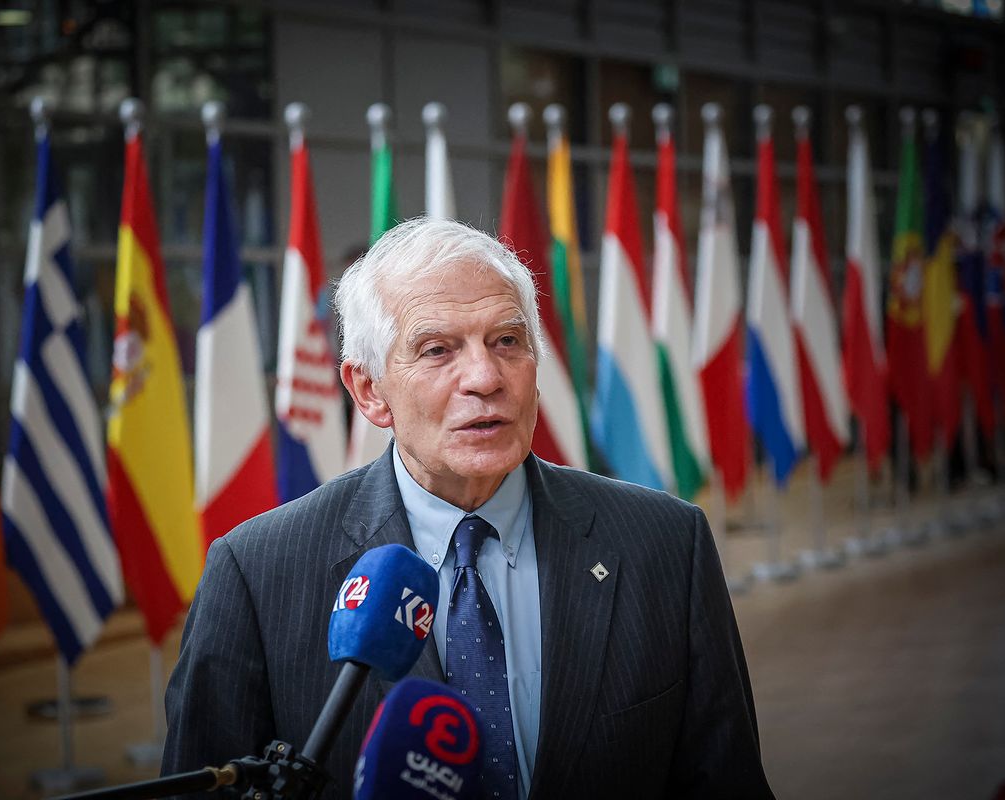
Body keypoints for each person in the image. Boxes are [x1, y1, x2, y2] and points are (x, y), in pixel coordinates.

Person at [162, 217, 773, 798]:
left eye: (507, 340)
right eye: (437, 350)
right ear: (370, 392)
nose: (485, 376)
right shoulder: (256, 572)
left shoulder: (666, 543)